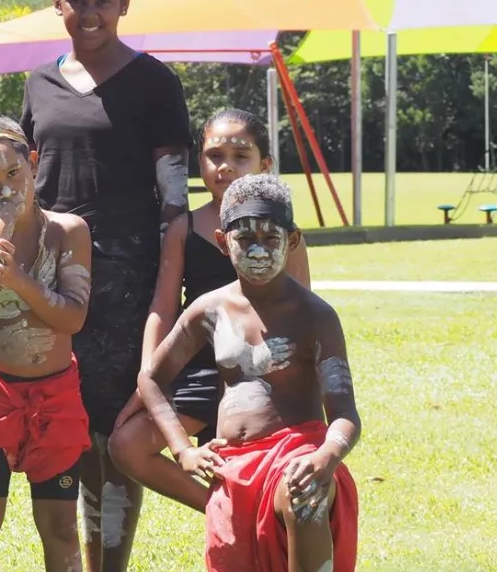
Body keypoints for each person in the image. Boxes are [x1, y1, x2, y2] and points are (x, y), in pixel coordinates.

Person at [19, 0, 192, 570]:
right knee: (60, 416)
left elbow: (173, 196)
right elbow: (27, 177)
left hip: (125, 277)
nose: (90, 10)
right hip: (51, 272)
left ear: (124, 1)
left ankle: (108, 561)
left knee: (112, 424)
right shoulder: (38, 83)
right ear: (57, 2)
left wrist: (169, 278)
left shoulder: (152, 82)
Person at [137, 173, 360, 572]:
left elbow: (345, 413)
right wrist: (183, 449)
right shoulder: (209, 310)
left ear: (292, 241)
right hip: (233, 469)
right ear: (223, 242)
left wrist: (327, 455)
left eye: (271, 239)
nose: (258, 251)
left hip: (295, 459)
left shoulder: (315, 317)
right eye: (245, 240)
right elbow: (152, 377)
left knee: (303, 497)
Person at [109, 109, 311, 519]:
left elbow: (303, 310)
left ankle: (261, 519)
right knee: (127, 444)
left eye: (241, 156)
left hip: (263, 370)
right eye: (214, 155)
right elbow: (163, 308)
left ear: (265, 166)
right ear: (198, 163)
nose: (226, 167)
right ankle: (228, 514)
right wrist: (149, 378)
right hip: (199, 369)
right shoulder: (184, 228)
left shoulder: (284, 234)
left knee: (264, 465)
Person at [0, 115, 94, 572]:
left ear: (33, 164)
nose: (6, 191)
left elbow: (73, 316)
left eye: (13, 174)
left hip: (57, 395)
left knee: (61, 527)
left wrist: (19, 280)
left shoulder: (68, 232)